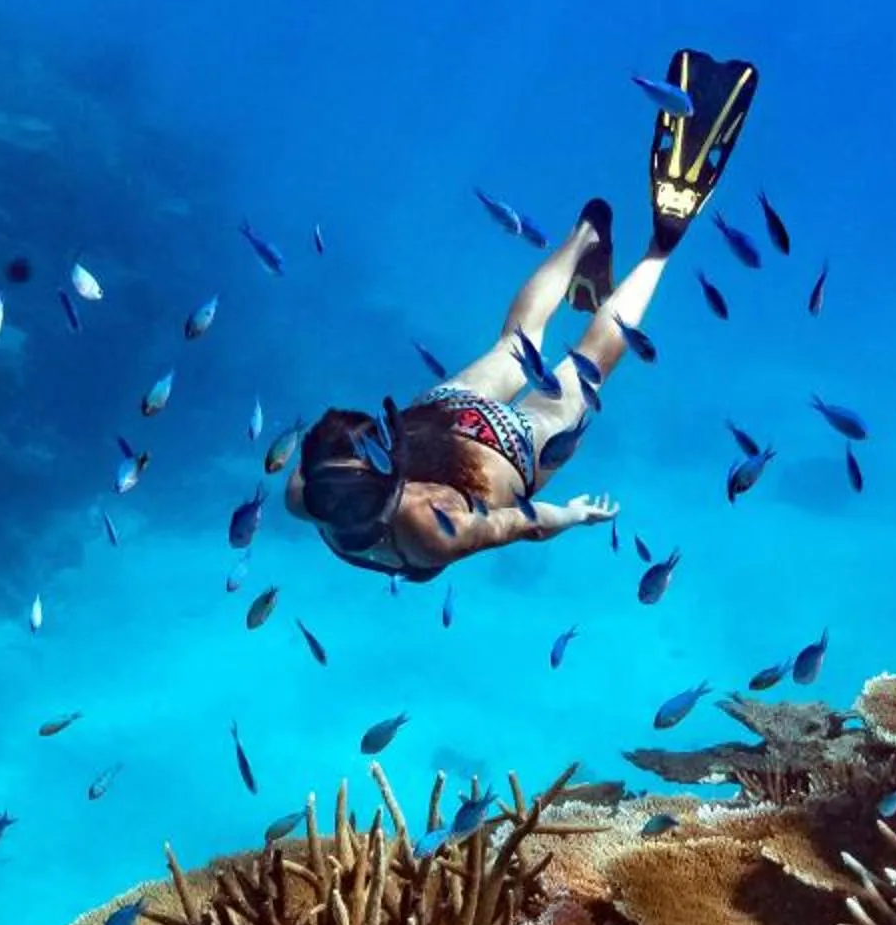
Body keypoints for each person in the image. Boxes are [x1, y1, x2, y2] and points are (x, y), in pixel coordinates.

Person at [289, 50, 758, 579]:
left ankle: (661, 246)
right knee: (516, 342)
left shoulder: (421, 531)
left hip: (507, 450)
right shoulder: (300, 492)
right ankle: (586, 236)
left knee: (588, 364)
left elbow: (520, 524)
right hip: (441, 414)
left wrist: (575, 514)